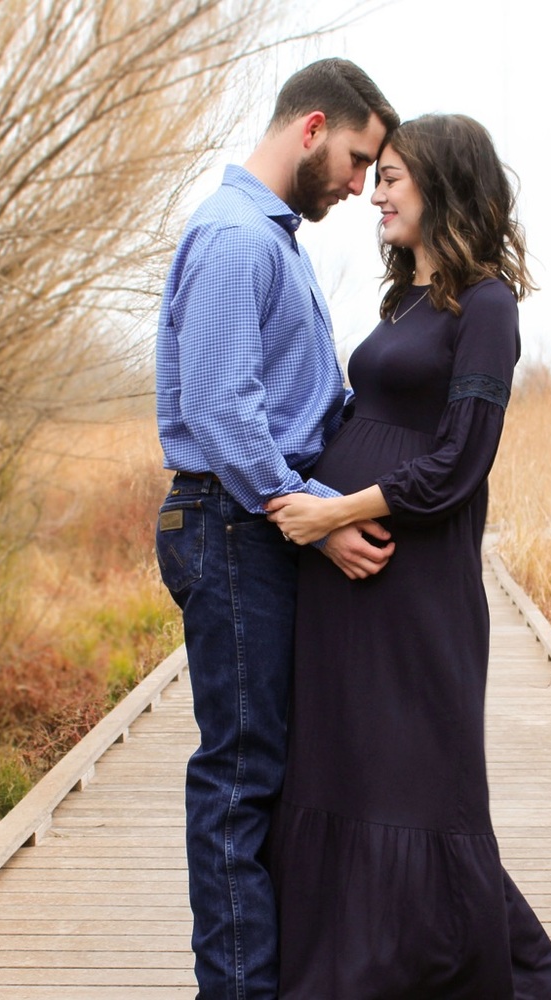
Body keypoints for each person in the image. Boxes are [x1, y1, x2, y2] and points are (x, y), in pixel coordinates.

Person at [265, 114, 551, 1000]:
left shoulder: (487, 306)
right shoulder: (403, 303)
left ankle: (470, 967)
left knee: (421, 776)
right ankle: (346, 970)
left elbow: (460, 461)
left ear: (443, 184)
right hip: (348, 581)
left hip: (415, 582)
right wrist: (317, 513)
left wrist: (333, 512)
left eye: (393, 177)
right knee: (346, 763)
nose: (375, 194)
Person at [153, 59, 399, 1000]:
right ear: (313, 127)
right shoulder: (235, 237)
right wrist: (311, 519)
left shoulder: (272, 239)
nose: (359, 184)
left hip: (253, 522)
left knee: (268, 770)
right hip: (237, 522)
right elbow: (221, 406)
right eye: (357, 159)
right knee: (240, 777)